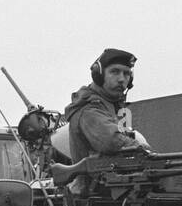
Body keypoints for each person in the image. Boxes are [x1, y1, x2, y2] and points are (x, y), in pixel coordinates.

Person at [61, 48, 149, 194]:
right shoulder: (89, 109)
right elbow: (113, 141)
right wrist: (146, 152)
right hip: (94, 196)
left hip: (117, 190)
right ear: (98, 75)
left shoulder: (116, 108)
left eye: (126, 74)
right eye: (115, 72)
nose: (122, 79)